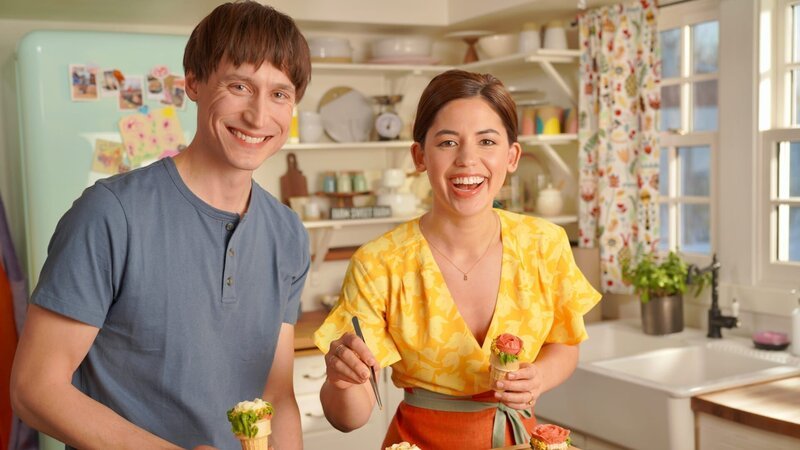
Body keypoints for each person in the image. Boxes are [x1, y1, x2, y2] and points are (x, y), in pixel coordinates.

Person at [10, 2, 311, 449]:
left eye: (280, 94)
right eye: (239, 86)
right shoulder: (110, 214)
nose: (258, 115)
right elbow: (36, 389)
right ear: (193, 82)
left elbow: (276, 396)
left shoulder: (288, 234)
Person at [313, 69, 602, 449]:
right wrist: (342, 380)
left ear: (512, 156)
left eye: (487, 141)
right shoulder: (380, 263)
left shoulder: (545, 244)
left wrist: (540, 377)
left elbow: (565, 343)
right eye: (448, 142)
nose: (468, 159)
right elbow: (350, 418)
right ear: (419, 156)